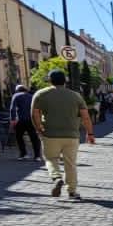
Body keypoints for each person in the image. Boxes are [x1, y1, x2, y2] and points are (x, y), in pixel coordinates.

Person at [31, 68, 94, 200]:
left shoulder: (40, 94)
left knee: (51, 159)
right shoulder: (75, 95)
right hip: (72, 135)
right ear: (65, 81)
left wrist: (39, 128)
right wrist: (90, 133)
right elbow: (85, 116)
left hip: (50, 134)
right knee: (70, 163)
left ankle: (56, 178)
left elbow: (34, 114)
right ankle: (72, 191)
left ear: (49, 81)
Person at [9, 83, 40, 161]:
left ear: (17, 90)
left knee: (19, 137)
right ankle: (37, 156)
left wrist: (13, 119)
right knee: (34, 138)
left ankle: (23, 154)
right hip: (31, 120)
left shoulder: (15, 96)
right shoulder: (31, 96)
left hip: (20, 120)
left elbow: (12, 108)